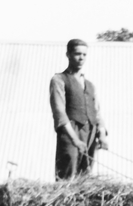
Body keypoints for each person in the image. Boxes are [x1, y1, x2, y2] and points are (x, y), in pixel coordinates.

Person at [50, 39, 108, 180]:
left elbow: (97, 112)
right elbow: (59, 112)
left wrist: (102, 133)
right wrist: (75, 140)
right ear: (68, 55)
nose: (81, 58)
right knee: (67, 174)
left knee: (85, 175)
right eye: (77, 54)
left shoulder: (90, 85)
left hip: (90, 132)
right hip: (70, 131)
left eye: (84, 54)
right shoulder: (59, 79)